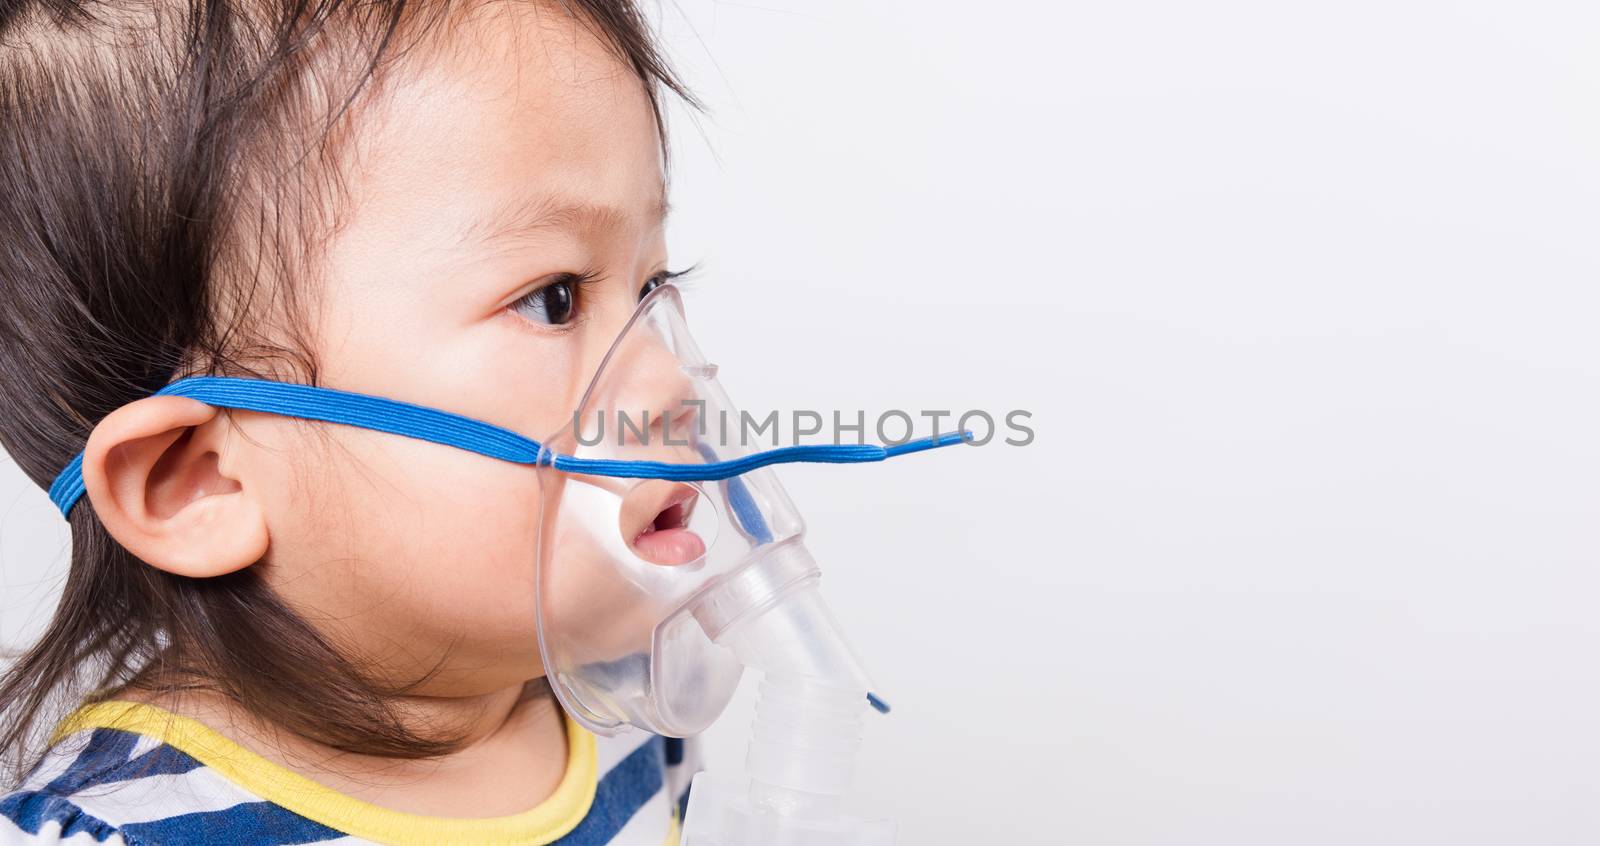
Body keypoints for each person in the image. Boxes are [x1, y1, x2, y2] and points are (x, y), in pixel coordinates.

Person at [0, 0, 705, 842]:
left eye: (653, 286)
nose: (672, 380)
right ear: (198, 480)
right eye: (553, 300)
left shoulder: (627, 707)